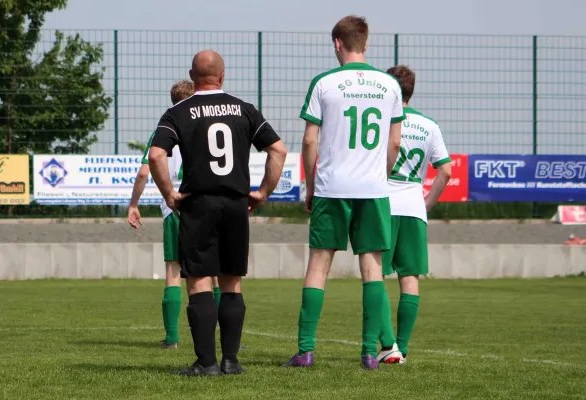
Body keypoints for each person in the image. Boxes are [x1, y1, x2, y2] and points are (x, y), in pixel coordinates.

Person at [148, 50, 287, 377]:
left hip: (198, 204)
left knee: (198, 282)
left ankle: (206, 363)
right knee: (231, 283)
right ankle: (231, 361)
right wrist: (263, 192)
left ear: (192, 76)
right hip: (236, 204)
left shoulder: (177, 112)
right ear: (222, 77)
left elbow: (156, 156)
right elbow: (278, 149)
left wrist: (170, 194)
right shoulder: (244, 109)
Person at [283, 15, 404, 370]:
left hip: (331, 187)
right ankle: (369, 353)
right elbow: (394, 142)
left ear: (338, 43)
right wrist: (380, 175)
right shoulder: (390, 85)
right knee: (373, 269)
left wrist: (310, 183)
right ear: (365, 43)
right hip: (372, 189)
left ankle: (306, 350)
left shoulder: (324, 82)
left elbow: (309, 139)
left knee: (319, 266)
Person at [127, 80, 221, 350]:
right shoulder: (208, 128)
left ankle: (172, 339)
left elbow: (146, 171)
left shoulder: (165, 129)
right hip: (206, 205)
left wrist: (134, 204)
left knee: (173, 271)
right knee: (213, 272)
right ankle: (218, 335)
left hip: (174, 207)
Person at [376, 65, 452, 365]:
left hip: (382, 203)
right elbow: (445, 171)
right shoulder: (429, 125)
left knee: (374, 276)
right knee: (410, 278)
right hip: (413, 205)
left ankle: (387, 345)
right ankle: (402, 348)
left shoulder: (381, 122)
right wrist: (427, 203)